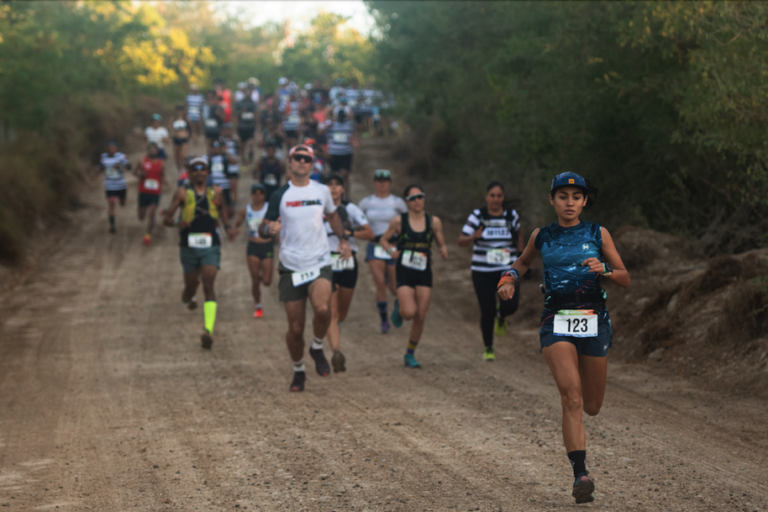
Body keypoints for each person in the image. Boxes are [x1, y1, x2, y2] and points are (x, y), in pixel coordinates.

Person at [496, 172, 630, 504]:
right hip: (556, 321)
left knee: (593, 406)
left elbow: (625, 278)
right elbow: (522, 262)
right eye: (563, 196)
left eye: (576, 196)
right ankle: (580, 475)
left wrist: (606, 271)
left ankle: (581, 459)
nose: (569, 202)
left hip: (593, 320)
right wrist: (508, 279)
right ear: (552, 200)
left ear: (584, 201)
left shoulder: (598, 233)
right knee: (571, 397)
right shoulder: (543, 235)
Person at [258, 144, 352, 392]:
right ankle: (298, 369)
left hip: (319, 261)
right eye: (297, 158)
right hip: (291, 266)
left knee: (322, 310)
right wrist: (269, 229)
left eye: (306, 159)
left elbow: (332, 216)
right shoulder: (280, 195)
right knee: (296, 328)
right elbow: (263, 225)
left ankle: (317, 347)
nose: (301, 162)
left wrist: (343, 240)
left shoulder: (322, 191)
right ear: (289, 163)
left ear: (312, 164)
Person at [163, 157, 233, 349]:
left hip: (211, 244)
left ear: (208, 171)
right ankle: (188, 293)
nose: (199, 172)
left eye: (203, 169)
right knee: (192, 286)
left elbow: (223, 208)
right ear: (189, 172)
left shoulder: (216, 191)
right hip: (189, 245)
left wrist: (227, 227)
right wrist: (178, 222)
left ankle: (207, 330)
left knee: (209, 282)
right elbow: (167, 218)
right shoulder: (182, 193)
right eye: (195, 169)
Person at [379, 185, 448, 368]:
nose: (417, 201)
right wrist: (391, 250)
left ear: (424, 198)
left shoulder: (434, 222)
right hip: (404, 270)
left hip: (424, 270)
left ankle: (410, 353)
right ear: (407, 202)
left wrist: (442, 248)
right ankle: (400, 307)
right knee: (409, 312)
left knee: (420, 315)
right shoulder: (399, 221)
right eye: (412, 198)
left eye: (420, 197)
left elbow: (439, 238)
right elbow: (384, 239)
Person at [458, 181, 524, 361]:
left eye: (499, 196)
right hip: (482, 271)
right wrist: (474, 236)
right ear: (486, 197)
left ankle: (501, 315)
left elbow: (519, 235)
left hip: (507, 270)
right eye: (492, 195)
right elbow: (461, 240)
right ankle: (488, 347)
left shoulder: (511, 215)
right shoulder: (477, 216)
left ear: (503, 198)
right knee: (486, 311)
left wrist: (520, 256)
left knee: (511, 305)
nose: (496, 199)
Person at [323, 173, 375, 372]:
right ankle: (337, 352)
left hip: (347, 262)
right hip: (326, 262)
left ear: (343, 189)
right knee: (332, 311)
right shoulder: (318, 209)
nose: (334, 188)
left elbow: (369, 233)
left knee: (342, 312)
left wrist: (348, 234)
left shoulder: (351, 209)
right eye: (330, 184)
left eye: (338, 185)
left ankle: (336, 330)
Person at [358, 170, 407, 333]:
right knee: (379, 283)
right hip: (375, 245)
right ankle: (384, 320)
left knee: (394, 287)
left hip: (393, 246)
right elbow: (357, 221)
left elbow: (408, 222)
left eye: (385, 180)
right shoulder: (366, 203)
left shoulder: (398, 202)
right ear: (374, 183)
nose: (382, 183)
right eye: (379, 180)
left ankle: (398, 305)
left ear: (390, 183)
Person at [233, 183, 274, 318]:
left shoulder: (269, 208)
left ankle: (262, 278)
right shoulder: (246, 210)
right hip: (253, 247)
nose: (257, 195)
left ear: (264, 195)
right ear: (251, 195)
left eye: (260, 193)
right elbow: (237, 222)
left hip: (267, 246)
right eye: (255, 193)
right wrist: (235, 230)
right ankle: (258, 306)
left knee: (267, 281)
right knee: (255, 279)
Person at [135, 142, 165, 245]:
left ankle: (148, 235)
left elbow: (162, 176)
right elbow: (134, 172)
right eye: (151, 149)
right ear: (148, 150)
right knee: (141, 217)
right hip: (143, 191)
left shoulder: (161, 163)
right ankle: (149, 222)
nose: (153, 151)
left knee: (152, 212)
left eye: (155, 149)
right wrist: (139, 173)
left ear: (157, 151)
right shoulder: (142, 161)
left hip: (155, 192)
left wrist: (164, 182)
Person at [98, 140, 131, 234]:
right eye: (110, 147)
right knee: (111, 203)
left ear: (116, 149)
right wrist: (98, 170)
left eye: (113, 147)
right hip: (109, 185)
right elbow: (101, 167)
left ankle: (122, 199)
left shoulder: (121, 156)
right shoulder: (103, 157)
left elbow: (129, 166)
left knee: (122, 203)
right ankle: (112, 226)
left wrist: (120, 166)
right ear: (107, 149)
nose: (112, 149)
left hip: (121, 184)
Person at [326, 108, 358, 195]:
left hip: (346, 153)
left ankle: (345, 197)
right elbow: (322, 131)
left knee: (344, 175)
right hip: (333, 153)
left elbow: (355, 129)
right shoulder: (331, 124)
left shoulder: (350, 124)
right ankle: (335, 196)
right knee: (334, 177)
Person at [208, 140, 235, 219]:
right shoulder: (207, 158)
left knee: (226, 204)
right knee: (214, 204)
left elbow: (234, 161)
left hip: (225, 186)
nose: (215, 149)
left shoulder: (225, 157)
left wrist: (226, 153)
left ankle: (225, 221)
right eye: (213, 147)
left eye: (217, 147)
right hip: (213, 186)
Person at [236, 88, 258, 166]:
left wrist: (256, 125)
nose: (248, 94)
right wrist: (241, 111)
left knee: (251, 143)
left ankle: (250, 157)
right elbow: (236, 114)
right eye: (247, 92)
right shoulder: (240, 103)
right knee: (242, 145)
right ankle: (243, 159)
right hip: (242, 127)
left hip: (250, 126)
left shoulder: (253, 103)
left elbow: (256, 114)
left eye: (250, 92)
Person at [220, 123, 241, 208]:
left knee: (234, 185)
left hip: (233, 166)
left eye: (228, 129)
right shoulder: (221, 140)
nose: (227, 131)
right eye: (225, 129)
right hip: (225, 165)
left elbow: (239, 151)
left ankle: (233, 201)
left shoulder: (235, 139)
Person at [171, 104, 191, 173]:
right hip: (176, 139)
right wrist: (173, 133)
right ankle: (179, 169)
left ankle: (183, 168)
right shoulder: (173, 119)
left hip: (184, 139)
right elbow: (170, 127)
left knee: (183, 155)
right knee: (177, 156)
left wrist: (188, 134)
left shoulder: (186, 119)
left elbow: (189, 127)